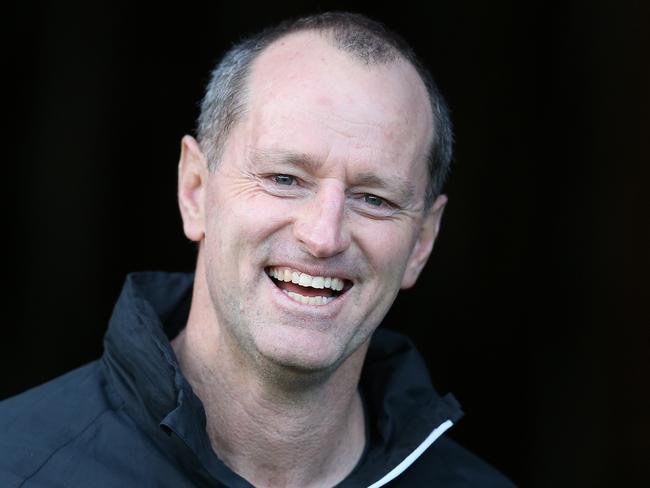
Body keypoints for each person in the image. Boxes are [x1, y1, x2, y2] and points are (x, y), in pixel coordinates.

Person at [0, 12, 516, 488]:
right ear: (195, 190)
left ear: (422, 242)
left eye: (373, 198)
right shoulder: (18, 465)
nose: (323, 236)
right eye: (285, 178)